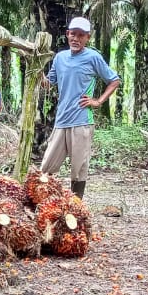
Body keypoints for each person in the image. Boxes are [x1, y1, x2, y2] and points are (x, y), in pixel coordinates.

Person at [40, 16, 120, 199]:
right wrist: (36, 70)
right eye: (72, 34)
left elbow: (114, 80)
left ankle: (76, 208)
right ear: (67, 34)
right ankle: (41, 203)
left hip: (82, 121)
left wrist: (98, 101)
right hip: (61, 120)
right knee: (46, 167)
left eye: (81, 35)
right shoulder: (59, 58)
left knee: (78, 169)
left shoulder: (93, 57)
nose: (76, 39)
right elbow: (48, 83)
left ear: (87, 38)